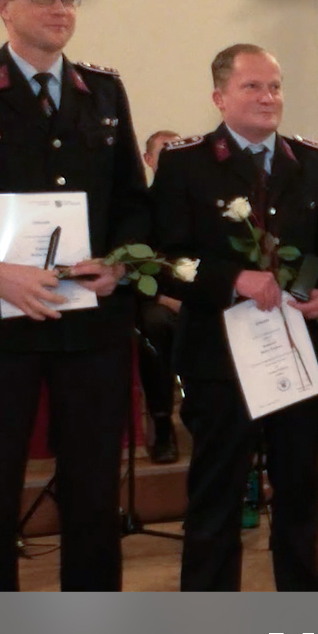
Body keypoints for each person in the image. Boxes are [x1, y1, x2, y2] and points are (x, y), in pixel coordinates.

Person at [0, 0, 149, 592]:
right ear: (4, 8)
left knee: (93, 488)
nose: (60, 9)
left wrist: (119, 263)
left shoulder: (103, 90)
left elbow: (132, 201)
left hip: (88, 322)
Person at [151, 44, 318, 591]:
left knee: (299, 488)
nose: (268, 98)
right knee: (216, 492)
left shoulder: (310, 161)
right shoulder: (186, 163)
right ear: (220, 97)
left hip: (295, 351)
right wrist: (233, 280)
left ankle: (302, 599)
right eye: (252, 87)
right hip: (220, 358)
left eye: (275, 87)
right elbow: (163, 260)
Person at [138, 130, 182, 464]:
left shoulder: (203, 202)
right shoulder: (139, 208)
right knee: (154, 326)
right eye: (166, 152)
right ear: (148, 160)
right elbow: (133, 267)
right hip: (157, 301)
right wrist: (166, 299)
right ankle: (163, 422)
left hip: (204, 297)